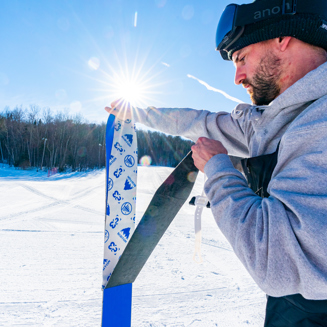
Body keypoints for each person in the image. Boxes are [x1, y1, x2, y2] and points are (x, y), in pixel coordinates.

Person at [106, 0, 327, 325]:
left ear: (282, 37)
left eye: (241, 59)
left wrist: (219, 169)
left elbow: (278, 261)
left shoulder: (318, 124)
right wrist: (141, 114)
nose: (237, 77)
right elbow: (202, 123)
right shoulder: (278, 119)